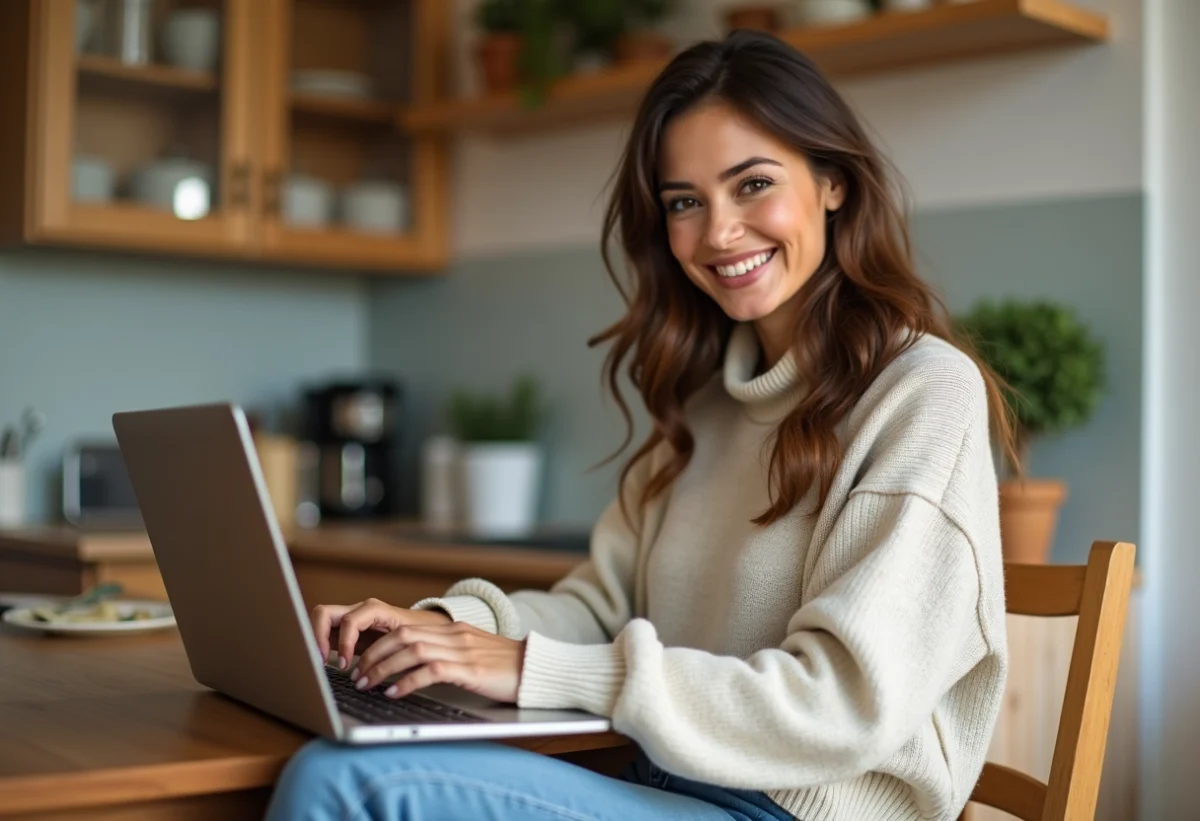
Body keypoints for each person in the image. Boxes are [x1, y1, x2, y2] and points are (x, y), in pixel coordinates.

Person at [265, 29, 1015, 821]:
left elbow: (841, 706)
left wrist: (526, 667)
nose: (719, 232)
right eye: (685, 202)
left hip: (797, 812)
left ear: (832, 182)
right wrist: (443, 627)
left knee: (340, 783)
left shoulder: (921, 393)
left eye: (753, 183)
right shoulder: (701, 406)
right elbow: (600, 607)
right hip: (660, 780)